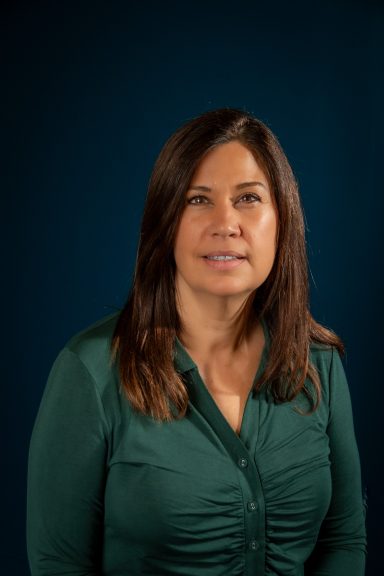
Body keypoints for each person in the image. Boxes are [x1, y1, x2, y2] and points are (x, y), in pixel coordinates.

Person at [27, 108, 367, 576]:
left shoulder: (319, 363)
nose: (225, 223)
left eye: (249, 198)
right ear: (164, 224)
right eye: (197, 200)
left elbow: (344, 539)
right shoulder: (89, 371)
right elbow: (58, 563)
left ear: (282, 220)